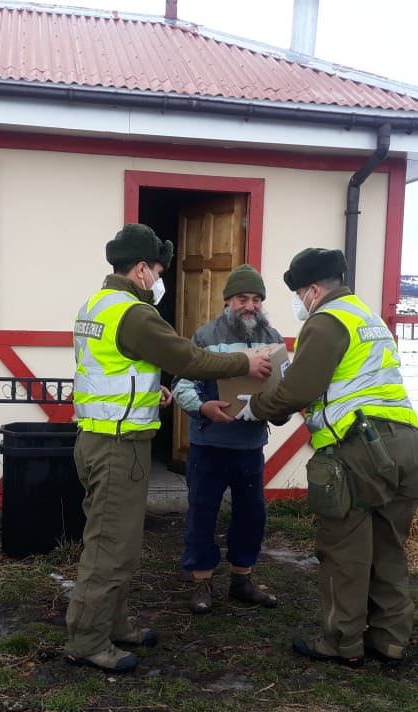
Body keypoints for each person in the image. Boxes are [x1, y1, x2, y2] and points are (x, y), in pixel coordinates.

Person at [66, 223, 273, 674]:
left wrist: (148, 392)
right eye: (159, 269)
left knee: (117, 541)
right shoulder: (134, 313)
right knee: (110, 548)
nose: (160, 279)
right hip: (119, 446)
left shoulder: (95, 305)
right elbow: (187, 358)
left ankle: (113, 624)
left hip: (98, 436)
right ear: (141, 268)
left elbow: (108, 370)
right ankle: (87, 639)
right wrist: (244, 361)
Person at [242, 248, 418, 668]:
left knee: (344, 548)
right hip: (406, 442)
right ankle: (392, 639)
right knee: (389, 547)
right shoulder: (367, 317)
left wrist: (255, 408)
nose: (299, 301)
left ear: (313, 289)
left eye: (299, 292)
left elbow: (297, 390)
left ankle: (342, 642)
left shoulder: (326, 322)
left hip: (359, 448)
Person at [171, 264, 284, 615]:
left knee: (252, 515)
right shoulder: (205, 336)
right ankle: (201, 582)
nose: (249, 306)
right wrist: (203, 408)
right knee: (202, 513)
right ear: (227, 302)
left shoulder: (272, 337)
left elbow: (283, 383)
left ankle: (242, 580)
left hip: (251, 445)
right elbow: (181, 384)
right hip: (209, 444)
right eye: (241, 299)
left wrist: (281, 407)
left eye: (255, 299)